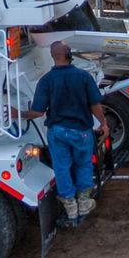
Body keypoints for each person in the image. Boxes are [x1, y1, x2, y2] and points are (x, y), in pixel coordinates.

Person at [18, 41, 106, 226]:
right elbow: (95, 105)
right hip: (81, 132)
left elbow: (38, 112)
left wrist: (16, 114)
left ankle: (70, 207)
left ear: (52, 56)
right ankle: (84, 202)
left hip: (57, 132)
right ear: (69, 54)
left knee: (62, 167)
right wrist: (104, 124)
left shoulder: (47, 80)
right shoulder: (83, 77)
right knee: (83, 165)